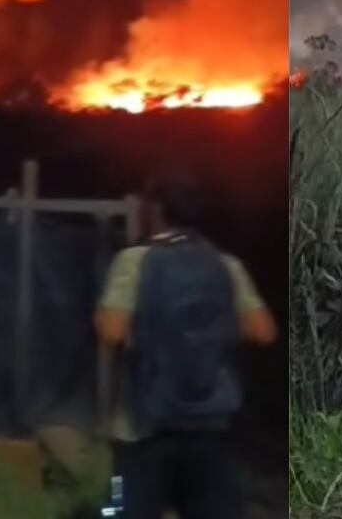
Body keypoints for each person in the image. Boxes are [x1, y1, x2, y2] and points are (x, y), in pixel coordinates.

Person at [96, 172, 276, 519]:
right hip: (210, 424)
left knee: (118, 508)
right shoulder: (225, 264)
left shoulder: (135, 261)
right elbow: (264, 330)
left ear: (156, 210)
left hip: (140, 429)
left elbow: (111, 331)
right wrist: (210, 332)